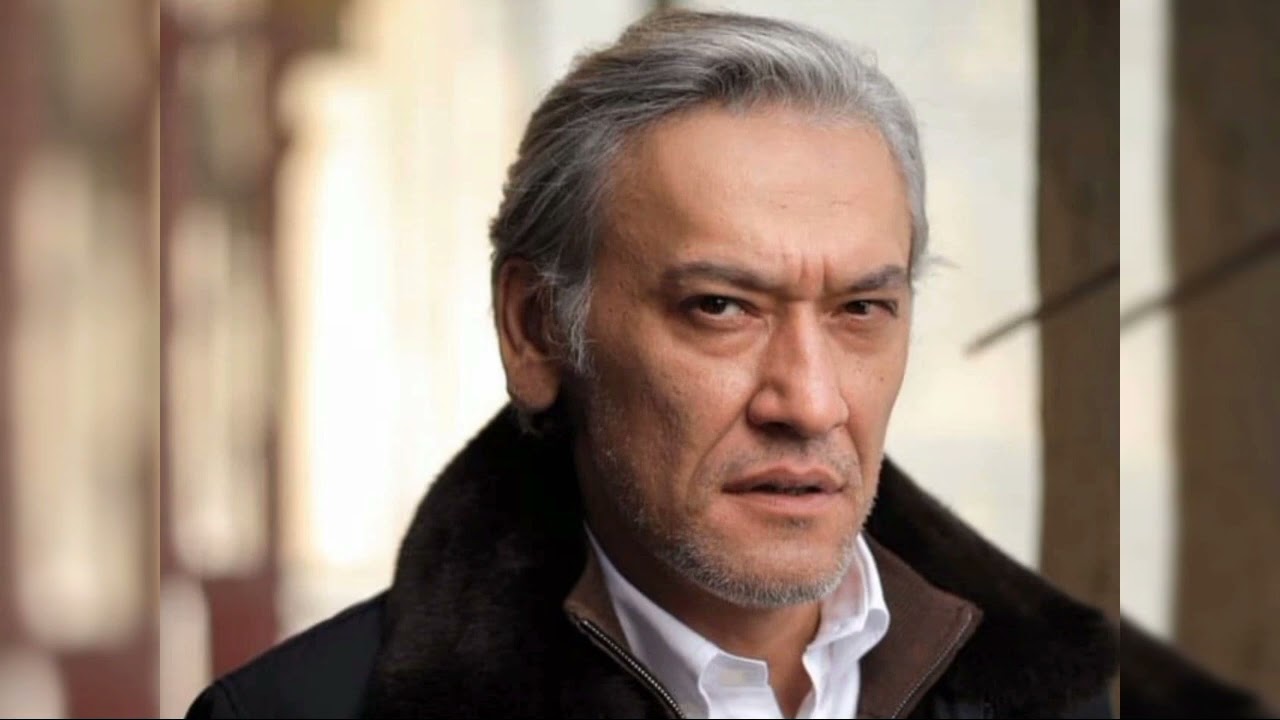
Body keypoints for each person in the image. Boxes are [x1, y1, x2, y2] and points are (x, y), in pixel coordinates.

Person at [187, 9, 1116, 719]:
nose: (811, 401)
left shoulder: (1077, 699)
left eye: (861, 310)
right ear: (536, 330)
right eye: (721, 307)